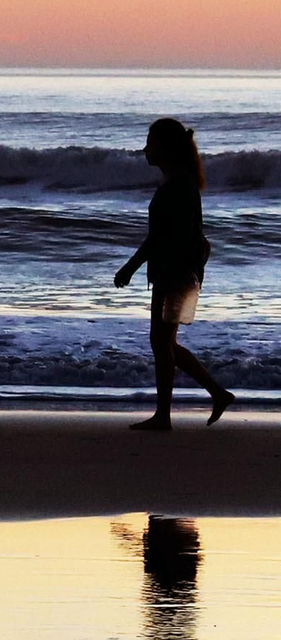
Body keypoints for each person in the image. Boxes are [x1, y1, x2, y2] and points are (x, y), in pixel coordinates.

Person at [114, 117, 233, 431]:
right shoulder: (177, 181)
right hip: (174, 270)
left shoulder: (178, 184)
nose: (145, 149)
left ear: (165, 148)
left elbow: (160, 237)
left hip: (176, 271)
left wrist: (130, 266)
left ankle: (168, 414)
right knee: (163, 342)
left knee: (161, 342)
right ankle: (213, 395)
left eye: (150, 143)